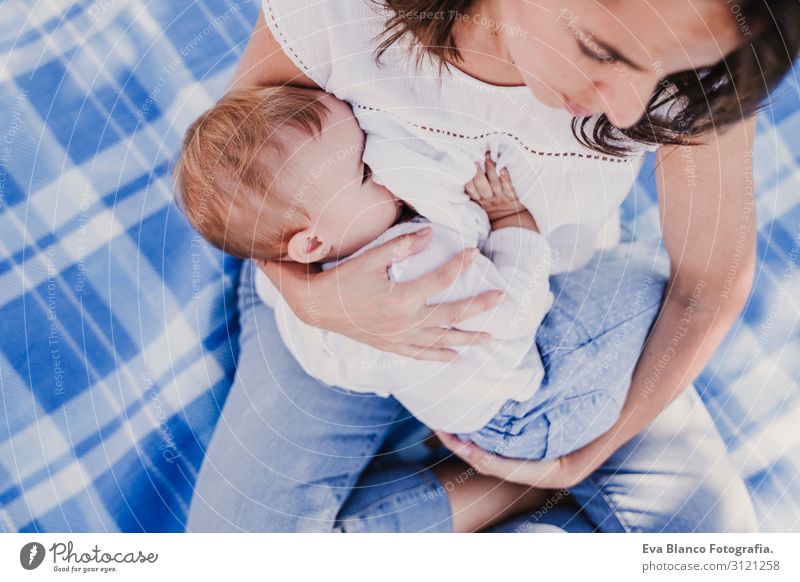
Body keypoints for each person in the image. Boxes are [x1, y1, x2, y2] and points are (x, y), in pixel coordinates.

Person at [187, 0, 800, 532]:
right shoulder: (345, 14)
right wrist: (316, 300)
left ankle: (545, 484)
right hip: (333, 311)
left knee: (713, 548)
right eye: (598, 49)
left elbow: (708, 286)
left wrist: (586, 454)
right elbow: (244, 194)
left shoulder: (695, 83)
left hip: (545, 313)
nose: (626, 113)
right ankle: (520, 496)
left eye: (675, 70)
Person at [175, 84, 667, 463]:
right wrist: (511, 221)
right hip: (531, 412)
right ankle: (536, 480)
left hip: (462, 415)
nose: (383, 169)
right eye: (365, 174)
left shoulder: (289, 286)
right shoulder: (417, 256)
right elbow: (517, 309)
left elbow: (338, 368)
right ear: (311, 242)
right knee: (650, 279)